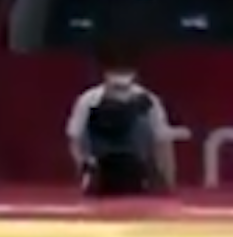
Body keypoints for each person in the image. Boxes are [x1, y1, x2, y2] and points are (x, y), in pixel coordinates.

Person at [65, 57, 178, 196]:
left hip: (137, 171)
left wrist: (166, 181)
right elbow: (74, 139)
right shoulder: (88, 100)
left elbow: (162, 143)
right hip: (99, 170)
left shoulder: (148, 101)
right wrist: (83, 168)